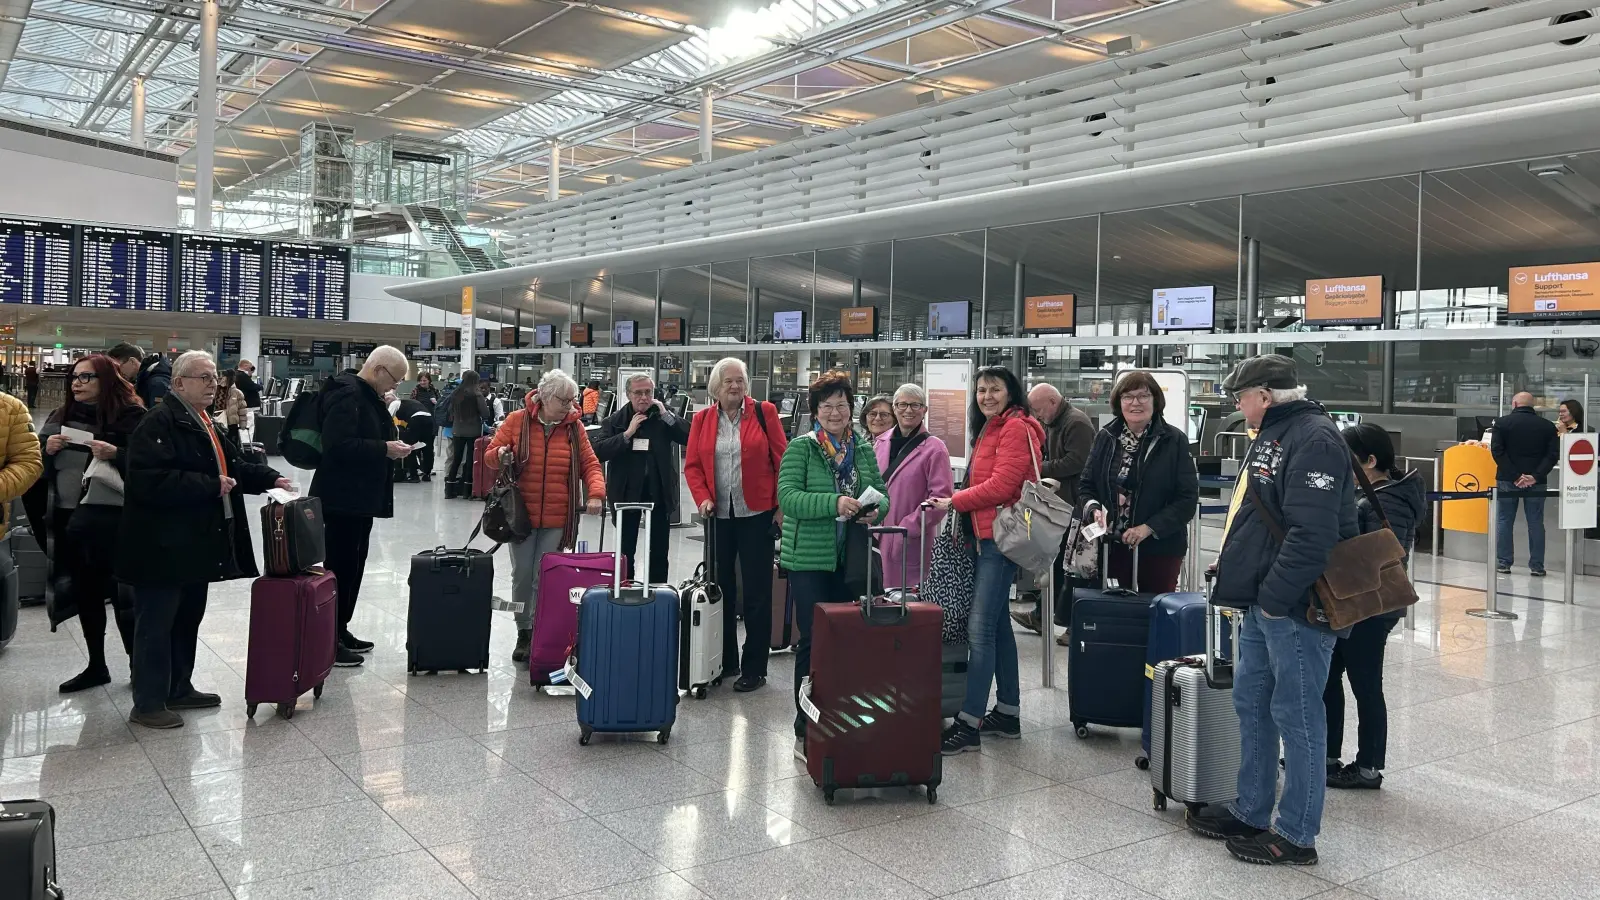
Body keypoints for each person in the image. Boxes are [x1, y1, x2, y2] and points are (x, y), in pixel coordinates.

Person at [1187, 353, 1356, 866]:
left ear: (1263, 394)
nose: (1238, 406)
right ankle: (1252, 808)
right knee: (1252, 702)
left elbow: (1313, 534)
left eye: (1241, 397)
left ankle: (1297, 834)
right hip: (1264, 600)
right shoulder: (1274, 434)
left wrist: (1276, 599)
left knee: (1298, 715)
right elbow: (1255, 513)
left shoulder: (1316, 439)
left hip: (1296, 606)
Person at [116, 351, 289, 729]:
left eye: (214, 378)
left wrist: (270, 478)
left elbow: (233, 465)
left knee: (186, 619)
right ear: (178, 384)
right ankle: (147, 702)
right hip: (161, 545)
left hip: (194, 542)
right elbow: (147, 482)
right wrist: (209, 486)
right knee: (156, 625)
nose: (213, 384)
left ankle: (179, 687)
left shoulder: (204, 421)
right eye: (203, 378)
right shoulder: (159, 422)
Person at [930, 366, 1045, 755]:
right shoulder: (991, 427)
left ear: (1011, 393)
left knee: (979, 629)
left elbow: (1003, 485)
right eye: (981, 390)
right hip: (986, 536)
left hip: (1000, 539)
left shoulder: (1014, 427)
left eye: (995, 389)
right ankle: (1008, 712)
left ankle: (969, 723)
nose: (986, 396)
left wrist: (955, 501)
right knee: (996, 627)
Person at [779, 371, 889, 760]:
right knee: (814, 642)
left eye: (842, 405)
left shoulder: (861, 448)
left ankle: (843, 721)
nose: (836, 412)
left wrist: (875, 511)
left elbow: (882, 491)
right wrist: (834, 504)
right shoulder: (801, 448)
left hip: (852, 560)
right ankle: (804, 729)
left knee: (850, 641)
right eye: (827, 406)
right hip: (809, 561)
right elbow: (789, 498)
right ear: (815, 411)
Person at [1324, 423, 1424, 791]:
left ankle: (1368, 767)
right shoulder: (1364, 490)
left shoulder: (1389, 498)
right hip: (1352, 599)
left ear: (1369, 460)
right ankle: (1327, 755)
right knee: (1329, 677)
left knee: (1365, 683)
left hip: (1373, 604)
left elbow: (1387, 552)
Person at [484, 369, 605, 664]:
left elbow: (590, 463)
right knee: (522, 575)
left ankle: (541, 628)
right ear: (546, 398)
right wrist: (500, 453)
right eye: (564, 401)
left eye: (572, 400)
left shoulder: (574, 428)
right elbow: (488, 456)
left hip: (557, 516)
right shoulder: (517, 421)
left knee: (545, 576)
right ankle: (523, 629)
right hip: (519, 516)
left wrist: (596, 494)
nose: (571, 406)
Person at [685, 358, 789, 692]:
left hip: (757, 514)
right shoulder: (702, 419)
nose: (735, 387)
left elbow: (782, 460)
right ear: (716, 386)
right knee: (720, 589)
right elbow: (693, 467)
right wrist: (702, 498)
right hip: (718, 517)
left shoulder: (764, 412)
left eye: (740, 381)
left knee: (757, 592)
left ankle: (754, 667)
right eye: (729, 381)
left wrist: (780, 508)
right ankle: (724, 660)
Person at [43, 355, 145, 692]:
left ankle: (137, 664)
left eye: (86, 377)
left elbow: (150, 465)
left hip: (115, 520)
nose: (77, 383)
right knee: (85, 592)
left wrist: (117, 453)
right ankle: (96, 664)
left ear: (106, 379)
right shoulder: (62, 416)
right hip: (73, 520)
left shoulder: (132, 416)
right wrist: (48, 448)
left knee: (123, 594)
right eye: (74, 377)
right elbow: (35, 466)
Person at [311, 346, 413, 667]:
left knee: (354, 564)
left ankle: (340, 629)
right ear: (379, 370)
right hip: (342, 499)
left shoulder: (366, 396)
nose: (393, 388)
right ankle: (329, 637)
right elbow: (337, 445)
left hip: (358, 499)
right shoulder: (347, 394)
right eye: (393, 380)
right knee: (340, 566)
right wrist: (384, 447)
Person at [1077, 371, 1198, 595]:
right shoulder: (1105, 437)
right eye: (1128, 397)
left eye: (1143, 396)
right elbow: (1086, 485)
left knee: (1156, 613)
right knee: (1117, 616)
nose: (1135, 403)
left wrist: (1148, 528)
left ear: (1155, 401)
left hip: (1159, 549)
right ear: (1118, 402)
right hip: (1111, 547)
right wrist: (1094, 509)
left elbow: (1187, 499)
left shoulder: (1174, 441)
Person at [1013, 382, 1094, 636]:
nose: (1037, 415)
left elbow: (1076, 462)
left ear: (1052, 402)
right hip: (1058, 503)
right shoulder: (1055, 422)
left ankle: (1055, 618)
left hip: (1074, 505)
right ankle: (1044, 614)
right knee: (1055, 562)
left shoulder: (1076, 423)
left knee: (1067, 565)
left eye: (1038, 409)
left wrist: (1038, 468)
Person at [594, 373, 691, 584]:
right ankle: (624, 588)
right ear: (628, 394)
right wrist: (627, 434)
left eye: (648, 392)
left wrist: (667, 415)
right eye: (638, 393)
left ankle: (657, 591)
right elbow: (599, 451)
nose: (644, 397)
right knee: (626, 548)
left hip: (659, 490)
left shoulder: (663, 418)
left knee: (659, 548)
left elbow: (689, 435)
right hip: (627, 492)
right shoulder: (616, 421)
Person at [873, 383, 952, 590]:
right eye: (902, 405)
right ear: (895, 408)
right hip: (875, 536)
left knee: (905, 606)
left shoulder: (935, 449)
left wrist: (909, 526)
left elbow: (940, 498)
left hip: (909, 539)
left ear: (924, 410)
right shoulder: (879, 443)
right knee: (875, 602)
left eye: (915, 405)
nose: (908, 410)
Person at [1490, 391, 1559, 576]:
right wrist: (1535, 476)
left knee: (1505, 520)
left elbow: (1497, 451)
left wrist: (1514, 475)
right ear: (1532, 406)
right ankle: (1537, 566)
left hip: (1507, 479)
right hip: (1537, 482)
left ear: (1514, 404)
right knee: (1536, 522)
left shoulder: (1502, 423)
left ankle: (1504, 563)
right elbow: (1552, 455)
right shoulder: (1547, 426)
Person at [445, 370, 493, 500]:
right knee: (471, 460)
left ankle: (449, 490)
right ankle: (467, 490)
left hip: (457, 430)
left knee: (456, 459)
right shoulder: (477, 395)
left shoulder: (455, 394)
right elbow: (485, 414)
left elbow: (450, 411)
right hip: (473, 431)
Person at [388, 390, 435, 483]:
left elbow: (388, 418)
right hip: (429, 419)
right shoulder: (410, 402)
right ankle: (427, 473)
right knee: (428, 447)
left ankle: (413, 475)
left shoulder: (395, 403)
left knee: (409, 446)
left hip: (416, 419)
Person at [218, 370, 247, 447]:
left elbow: (242, 410)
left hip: (232, 424)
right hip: (220, 422)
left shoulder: (237, 393)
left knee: (232, 445)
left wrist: (243, 424)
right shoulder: (219, 390)